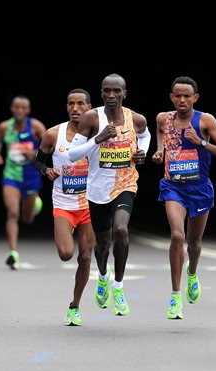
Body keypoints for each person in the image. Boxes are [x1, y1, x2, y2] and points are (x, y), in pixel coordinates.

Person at [68, 73, 151, 316]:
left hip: (125, 184)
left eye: (117, 91)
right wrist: (98, 139)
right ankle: (103, 276)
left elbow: (145, 137)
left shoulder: (136, 119)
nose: (112, 95)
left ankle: (118, 285)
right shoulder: (91, 118)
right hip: (97, 190)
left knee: (122, 230)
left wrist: (142, 152)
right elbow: (73, 155)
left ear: (125, 94)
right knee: (102, 245)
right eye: (107, 91)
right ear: (101, 93)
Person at [152, 76, 216, 320]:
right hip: (173, 187)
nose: (182, 100)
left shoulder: (205, 120)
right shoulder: (162, 118)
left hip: (199, 188)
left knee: (194, 243)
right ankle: (175, 296)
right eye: (177, 95)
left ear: (195, 98)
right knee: (177, 235)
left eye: (187, 95)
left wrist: (201, 143)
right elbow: (160, 132)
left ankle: (193, 272)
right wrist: (159, 150)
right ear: (171, 97)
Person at [34, 88, 95, 326]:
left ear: (89, 107)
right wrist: (46, 170)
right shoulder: (53, 134)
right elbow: (38, 160)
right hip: (63, 203)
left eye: (80, 104)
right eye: (71, 104)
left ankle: (75, 306)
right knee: (66, 254)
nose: (75, 108)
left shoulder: (97, 135)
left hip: (90, 204)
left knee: (86, 257)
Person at [0, 95, 46, 270]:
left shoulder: (36, 126)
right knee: (13, 212)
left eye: (23, 108)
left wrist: (35, 154)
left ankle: (35, 203)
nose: (19, 111)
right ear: (12, 109)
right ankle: (13, 252)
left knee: (27, 218)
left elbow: (50, 146)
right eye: (16, 107)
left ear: (28, 110)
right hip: (11, 176)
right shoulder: (4, 127)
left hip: (31, 177)